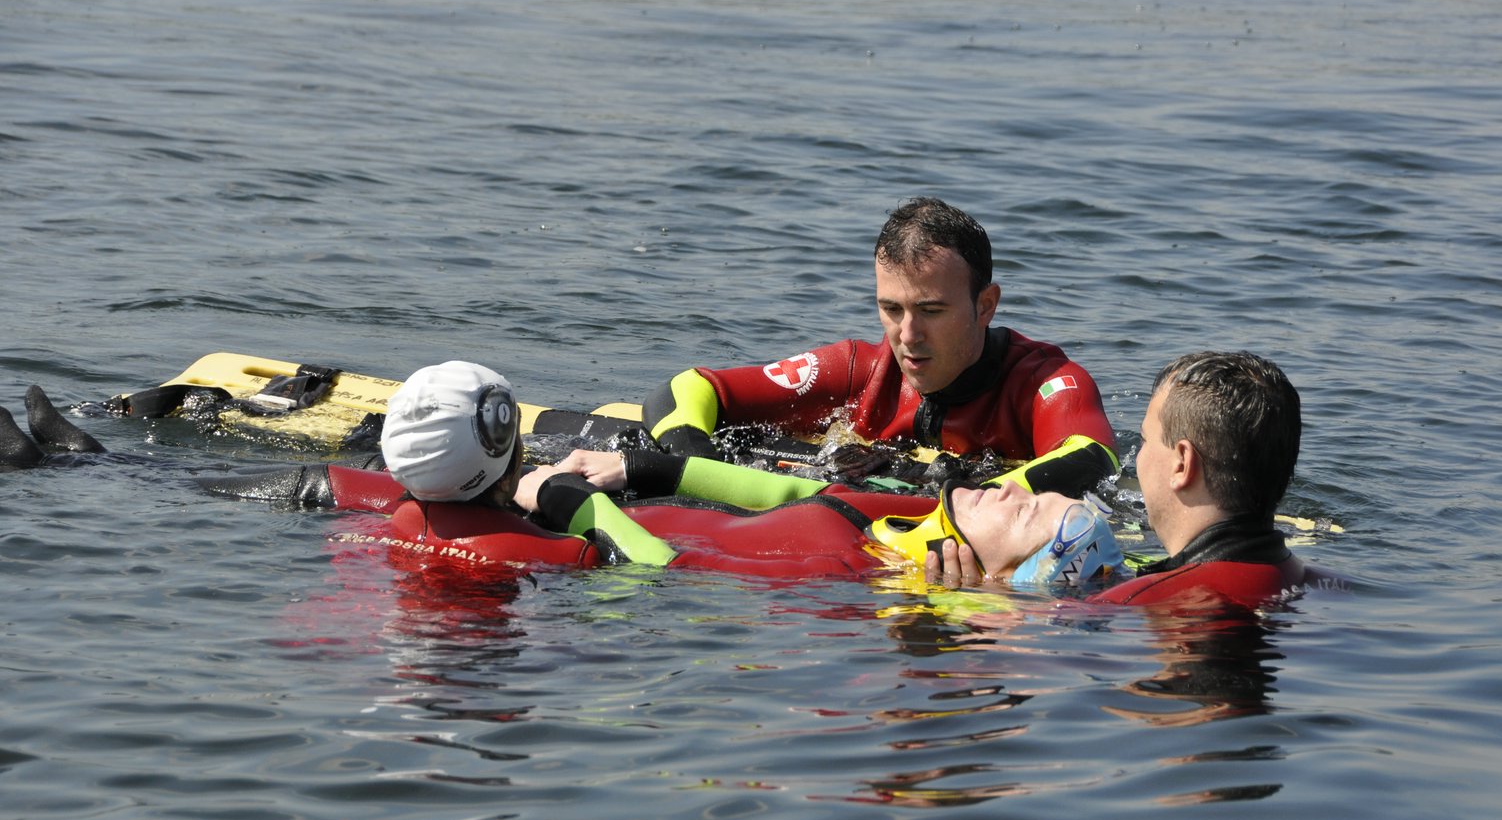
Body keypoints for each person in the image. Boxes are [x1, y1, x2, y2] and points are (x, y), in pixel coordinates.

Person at [236, 361, 1126, 594]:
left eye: (1028, 512)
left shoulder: (894, 590)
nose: (1012, 486)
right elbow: (779, 494)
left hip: (593, 564)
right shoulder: (904, 515)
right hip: (600, 527)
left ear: (1014, 571)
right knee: (349, 490)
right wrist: (638, 466)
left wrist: (581, 510)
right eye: (1029, 486)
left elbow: (656, 571)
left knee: (408, 523)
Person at [640, 197, 1118, 498]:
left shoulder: (1045, 383)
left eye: (931, 311)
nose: (907, 336)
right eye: (891, 309)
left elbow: (1091, 457)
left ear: (985, 305)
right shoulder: (859, 371)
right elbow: (689, 387)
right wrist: (702, 468)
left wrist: (964, 497)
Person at [1057, 351, 1341, 607]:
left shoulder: (1133, 603)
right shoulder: (1330, 586)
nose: (1138, 457)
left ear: (1182, 463)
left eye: (1144, 440)